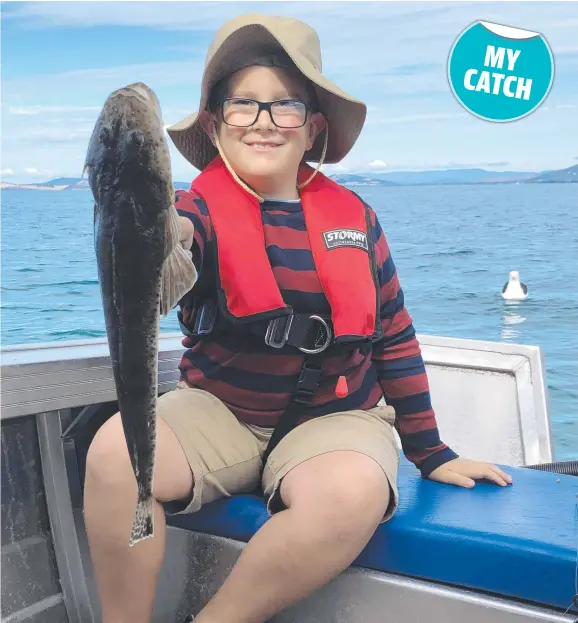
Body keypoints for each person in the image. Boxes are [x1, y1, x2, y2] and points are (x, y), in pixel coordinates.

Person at [83, 13, 513, 623]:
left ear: (313, 129)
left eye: (284, 107)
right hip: (221, 410)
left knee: (350, 495)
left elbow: (394, 336)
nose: (263, 121)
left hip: (337, 416)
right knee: (113, 457)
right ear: (214, 122)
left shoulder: (356, 219)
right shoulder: (194, 210)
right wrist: (158, 234)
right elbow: (176, 249)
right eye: (244, 105)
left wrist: (432, 452)